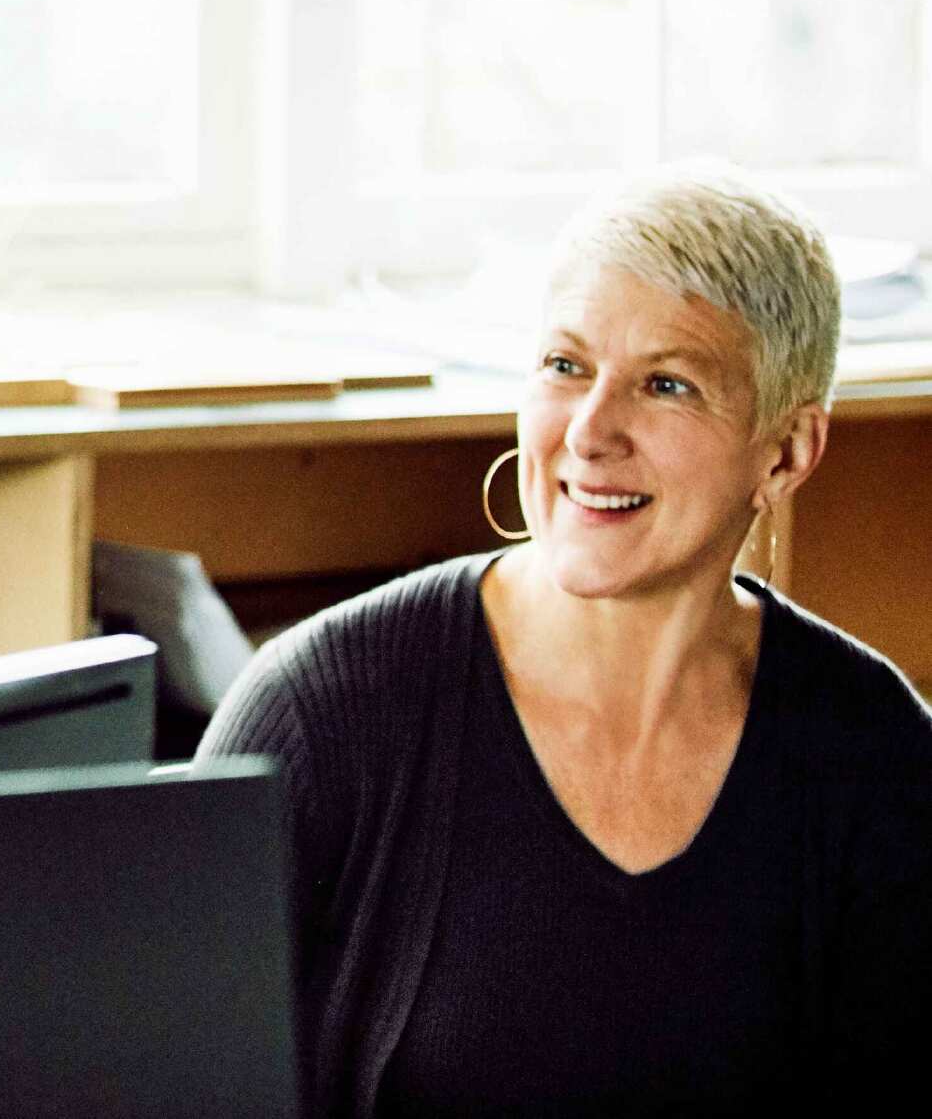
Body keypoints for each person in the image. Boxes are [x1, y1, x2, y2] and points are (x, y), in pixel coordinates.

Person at [200, 164, 932, 1115]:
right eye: (565, 366)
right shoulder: (323, 714)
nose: (590, 432)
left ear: (787, 450)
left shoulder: (870, 754)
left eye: (666, 385)